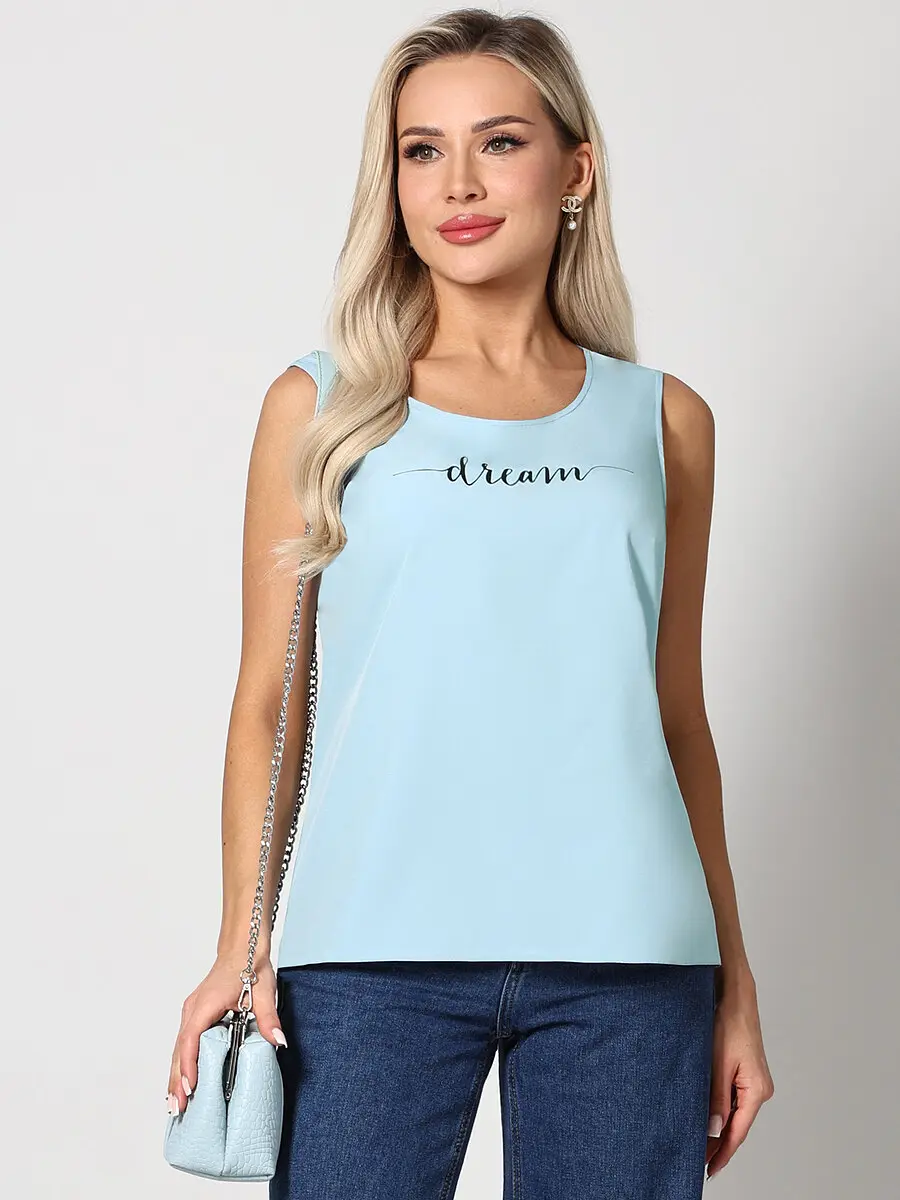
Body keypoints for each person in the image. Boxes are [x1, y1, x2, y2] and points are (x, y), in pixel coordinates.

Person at [165, 7, 774, 1196]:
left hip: (632, 959)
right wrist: (242, 945)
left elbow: (678, 720)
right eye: (421, 150)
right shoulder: (323, 407)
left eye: (500, 142)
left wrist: (736, 984)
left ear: (575, 169)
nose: (458, 184)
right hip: (368, 952)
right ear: (392, 180)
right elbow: (269, 706)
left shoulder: (663, 422)